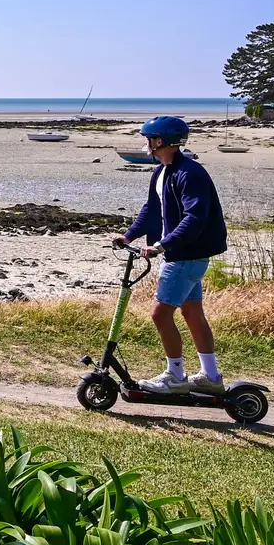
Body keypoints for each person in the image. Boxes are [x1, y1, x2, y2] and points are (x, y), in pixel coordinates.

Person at [112, 115, 229, 393]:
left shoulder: (189, 173)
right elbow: (152, 210)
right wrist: (129, 235)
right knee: (192, 313)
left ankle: (175, 376)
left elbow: (195, 218)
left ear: (160, 141)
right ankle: (211, 378)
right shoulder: (162, 172)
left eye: (149, 139)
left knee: (160, 315)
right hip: (181, 254)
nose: (146, 144)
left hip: (185, 255)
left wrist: (162, 245)